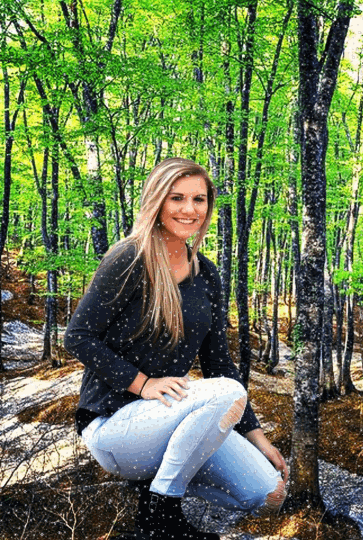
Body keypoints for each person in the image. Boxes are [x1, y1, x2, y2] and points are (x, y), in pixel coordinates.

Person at [64, 157, 288, 540]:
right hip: (112, 427)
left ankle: (156, 483)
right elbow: (78, 336)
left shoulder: (207, 274)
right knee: (228, 392)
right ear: (157, 201)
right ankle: (161, 512)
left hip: (168, 423)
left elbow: (219, 362)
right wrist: (142, 384)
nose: (189, 209)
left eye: (199, 199)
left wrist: (257, 436)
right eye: (177, 198)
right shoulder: (129, 258)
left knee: (269, 493)